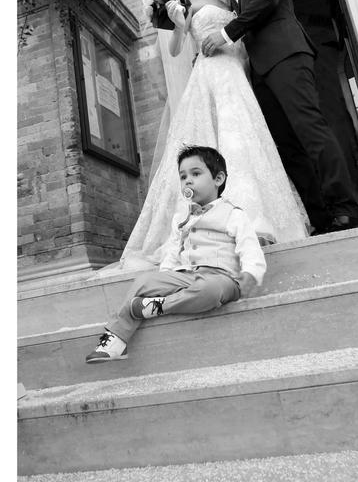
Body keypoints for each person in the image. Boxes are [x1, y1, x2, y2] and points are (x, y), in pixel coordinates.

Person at [103, 0, 308, 275]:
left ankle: (256, 219)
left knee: (244, 142)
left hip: (236, 78)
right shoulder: (192, 2)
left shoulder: (231, 2)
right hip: (210, 76)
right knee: (220, 143)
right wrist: (180, 24)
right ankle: (220, 226)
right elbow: (174, 49)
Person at [202, 0, 358, 233]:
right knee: (286, 146)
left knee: (311, 130)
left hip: (287, 56)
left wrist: (224, 35)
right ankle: (319, 216)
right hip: (260, 71)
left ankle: (346, 208)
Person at [86, 146, 267, 363]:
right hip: (186, 274)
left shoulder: (234, 214)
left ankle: (155, 307)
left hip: (222, 278)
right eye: (183, 177)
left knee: (208, 291)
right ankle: (116, 338)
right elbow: (173, 251)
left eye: (196, 174)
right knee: (144, 281)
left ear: (218, 178)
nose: (188, 181)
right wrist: (163, 278)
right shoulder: (182, 218)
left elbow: (250, 248)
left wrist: (250, 275)